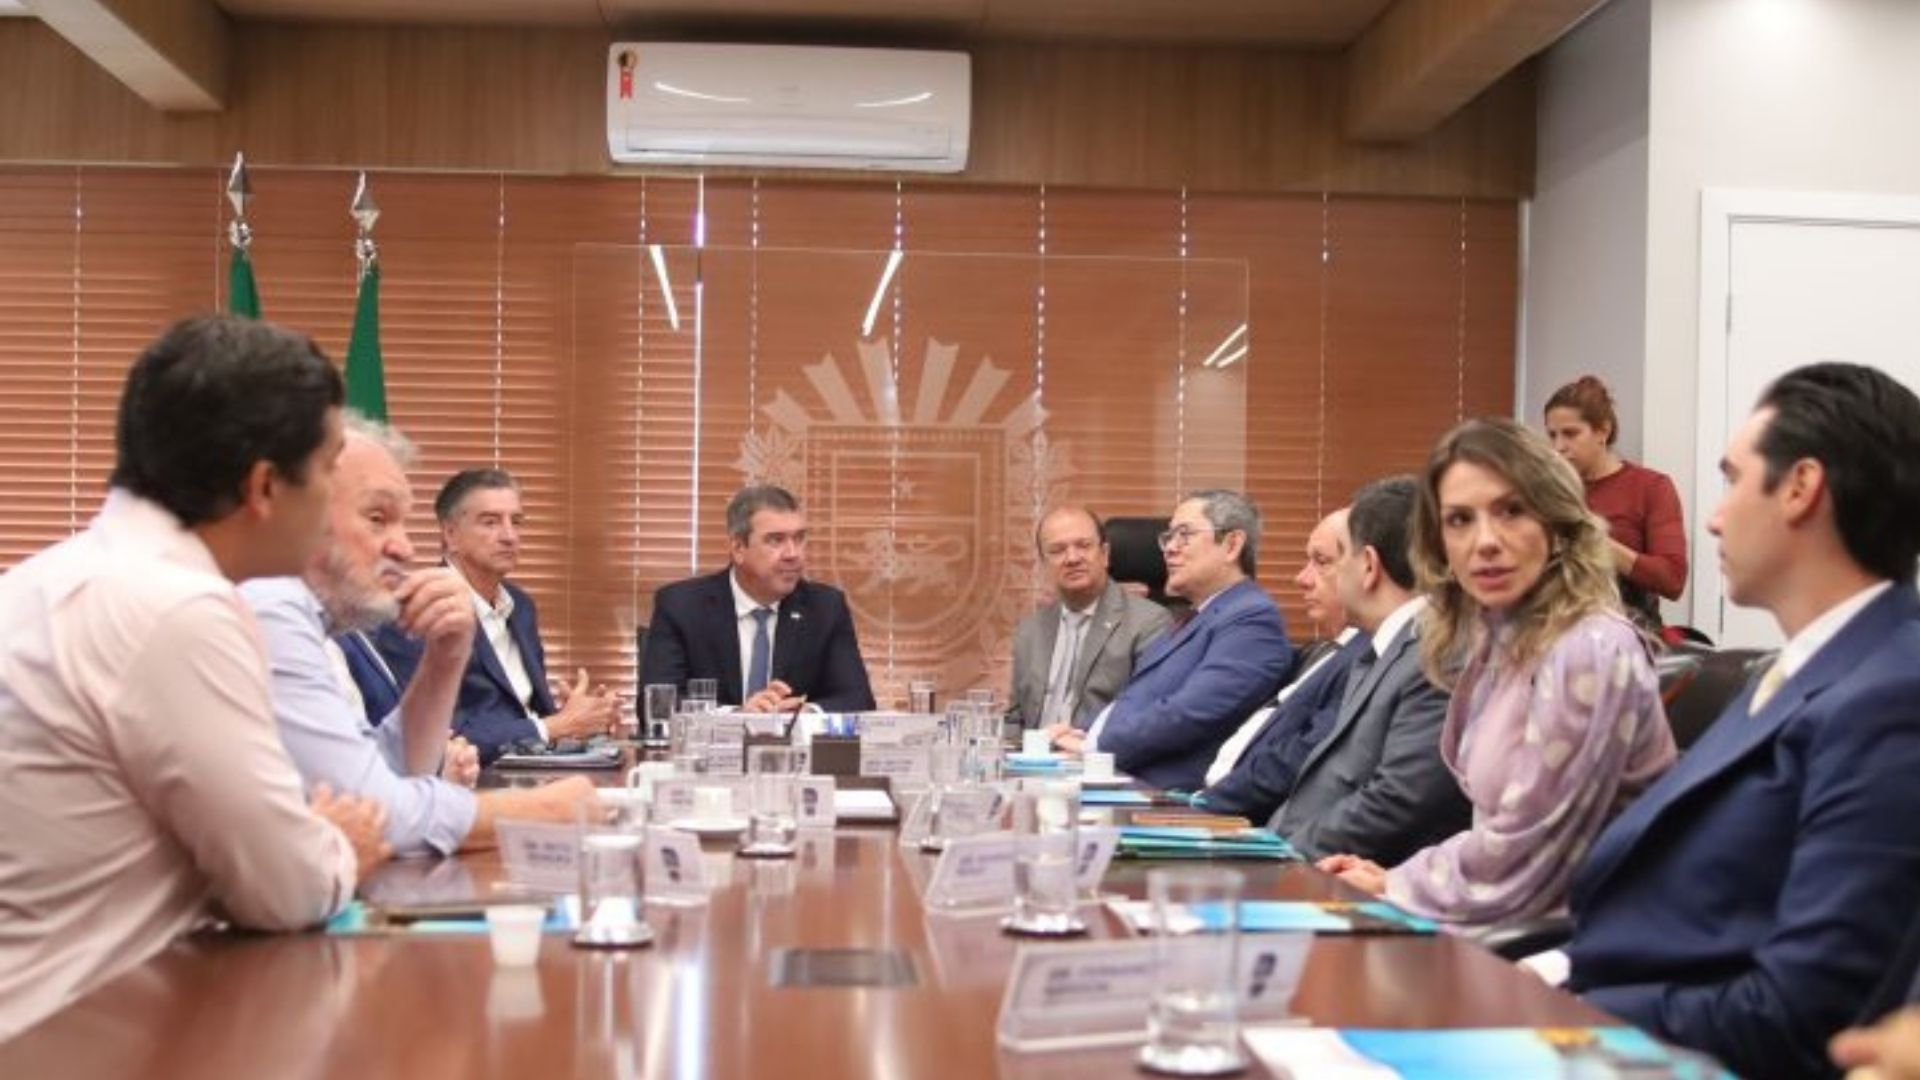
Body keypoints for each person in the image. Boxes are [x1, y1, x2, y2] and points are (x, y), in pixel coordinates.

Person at [0, 315, 384, 1040]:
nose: (336, 496)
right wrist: (339, 845)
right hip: (69, 1032)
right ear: (264, 486)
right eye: (331, 467)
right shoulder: (176, 609)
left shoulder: (51, 577)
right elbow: (284, 889)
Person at [1564, 363, 1920, 1079]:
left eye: (1733, 480)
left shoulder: (1889, 695)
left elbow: (1800, 1013)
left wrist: (1556, 1015)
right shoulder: (1791, 672)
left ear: (1800, 487)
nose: (1715, 516)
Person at [1321, 419, 1674, 928]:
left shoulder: (1588, 648)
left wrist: (1399, 886)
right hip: (1509, 918)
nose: (1484, 541)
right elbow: (1502, 829)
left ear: (1557, 526)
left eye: (1512, 511)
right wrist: (1393, 877)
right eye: (1459, 520)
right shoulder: (1498, 643)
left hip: (1576, 942)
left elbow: (1530, 851)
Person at [243, 418, 598, 856]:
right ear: (293, 509)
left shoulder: (321, 626)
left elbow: (392, 768)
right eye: (377, 518)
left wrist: (446, 657)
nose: (405, 548)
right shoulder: (267, 607)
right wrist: (542, 810)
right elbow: (374, 809)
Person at [1270, 478, 1470, 862]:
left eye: (1337, 557)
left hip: (1342, 875)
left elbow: (1398, 801)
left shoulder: (1437, 655)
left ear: (1368, 565)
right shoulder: (1385, 649)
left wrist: (1282, 854)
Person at [371, 468, 618, 763]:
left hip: (532, 769)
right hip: (473, 779)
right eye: (490, 522)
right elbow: (439, 734)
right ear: (450, 534)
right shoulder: (423, 609)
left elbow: (526, 714)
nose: (510, 536)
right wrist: (554, 727)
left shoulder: (521, 606)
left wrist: (580, 718)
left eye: (516, 522)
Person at [1052, 489, 1293, 791]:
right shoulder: (1196, 617)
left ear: (1232, 545)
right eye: (1168, 538)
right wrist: (1080, 732)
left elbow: (1189, 713)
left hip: (1166, 798)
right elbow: (1138, 698)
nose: (1169, 549)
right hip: (1119, 776)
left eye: (1184, 535)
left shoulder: (1252, 621)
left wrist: (1096, 746)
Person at [640, 485, 875, 714]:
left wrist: (806, 714)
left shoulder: (825, 607)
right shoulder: (682, 606)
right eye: (776, 540)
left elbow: (858, 698)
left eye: (799, 538)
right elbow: (657, 704)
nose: (793, 554)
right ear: (738, 548)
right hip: (715, 742)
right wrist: (736, 715)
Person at [1200, 508, 1361, 792]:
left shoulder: (1366, 661)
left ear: (1368, 567)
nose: (1301, 578)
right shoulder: (1319, 653)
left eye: (1322, 562)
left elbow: (1300, 758)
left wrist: (1208, 803)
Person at [1009, 506, 1173, 729]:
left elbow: (1146, 716)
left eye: (1083, 546)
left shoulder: (1149, 624)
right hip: (1032, 750)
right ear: (1044, 564)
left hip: (1097, 749)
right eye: (1057, 550)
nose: (1072, 558)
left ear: (1104, 554)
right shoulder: (1030, 630)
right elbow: (1015, 718)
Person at [1544, 376, 1687, 630]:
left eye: (1570, 434)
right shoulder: (1546, 491)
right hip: (1554, 631)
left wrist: (1595, 542)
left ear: (1603, 431)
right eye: (1552, 435)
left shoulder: (1651, 487)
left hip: (1629, 635)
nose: (1558, 447)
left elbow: (1672, 580)